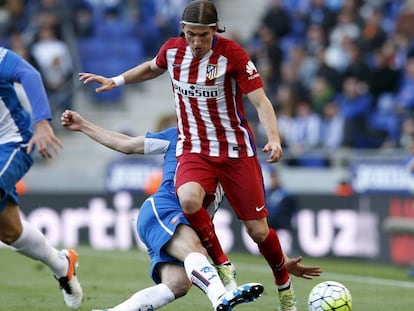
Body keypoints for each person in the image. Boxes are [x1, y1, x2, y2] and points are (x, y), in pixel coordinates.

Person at [78, 1, 298, 310]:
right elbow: (151, 68)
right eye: (190, 35)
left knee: (258, 231)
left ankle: (285, 289)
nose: (196, 42)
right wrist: (117, 81)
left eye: (202, 36)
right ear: (183, 30)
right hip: (194, 148)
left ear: (214, 30)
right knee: (190, 199)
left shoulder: (233, 55)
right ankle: (222, 267)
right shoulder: (172, 51)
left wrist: (274, 139)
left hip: (235, 152)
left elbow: (261, 102)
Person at [61, 109, 323, 311]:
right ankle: (221, 296)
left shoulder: (237, 161)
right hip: (163, 209)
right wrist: (84, 125)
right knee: (195, 251)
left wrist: (281, 258)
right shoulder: (180, 136)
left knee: (177, 285)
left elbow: (255, 224)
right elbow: (127, 145)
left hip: (180, 222)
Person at [0, 47, 82, 309]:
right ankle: (61, 264)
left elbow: (29, 73)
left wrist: (42, 122)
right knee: (10, 232)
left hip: (13, 141)